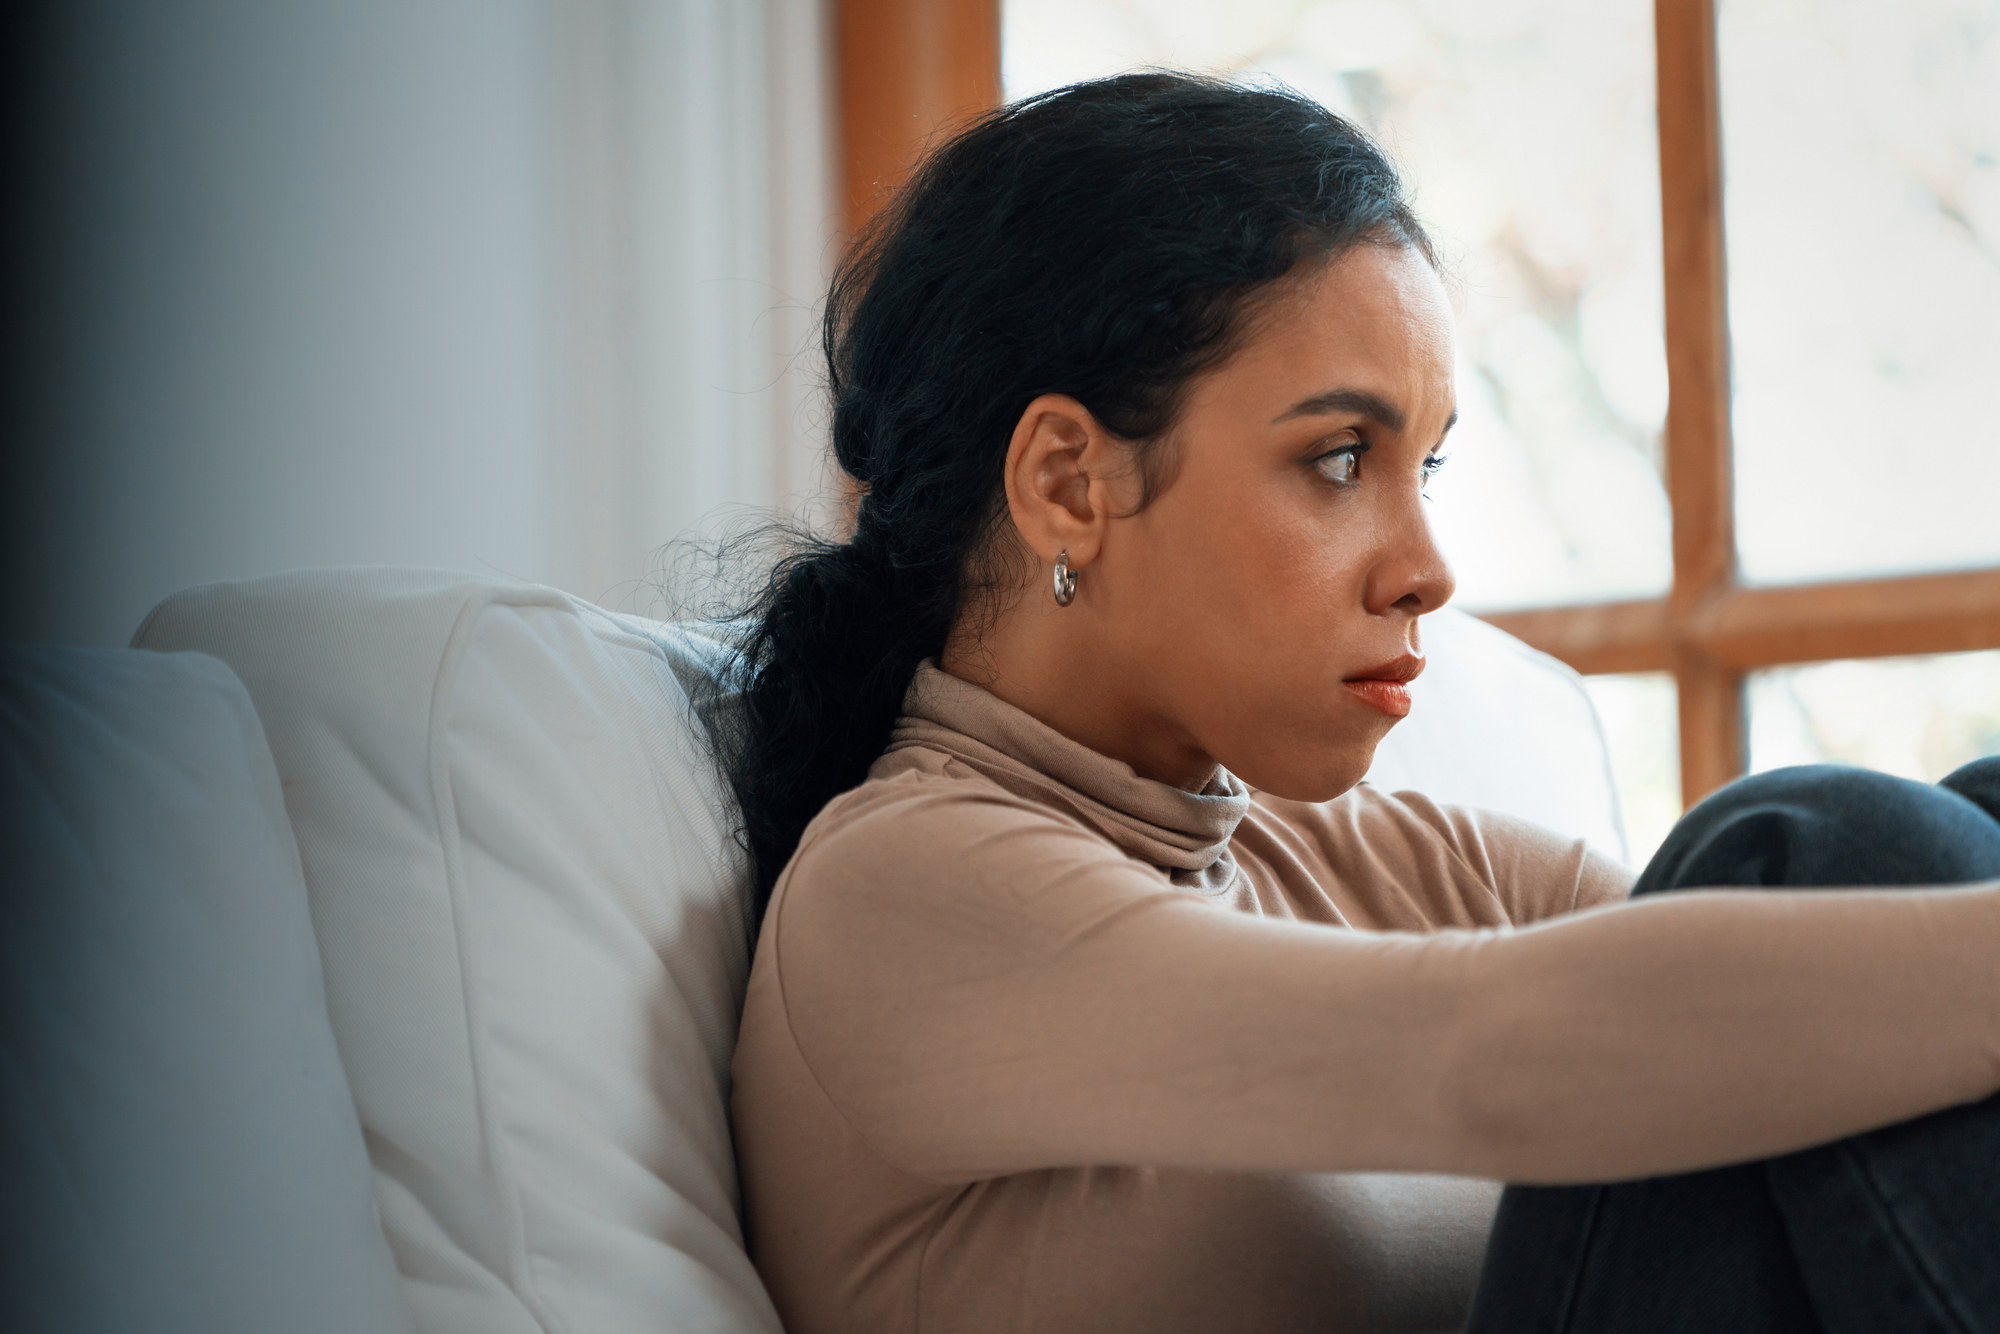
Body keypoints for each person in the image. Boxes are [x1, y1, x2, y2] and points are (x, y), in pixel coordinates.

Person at [718, 73, 2000, 1333]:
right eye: (1339, 459)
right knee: (1825, 850)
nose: (1428, 568)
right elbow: (1489, 1064)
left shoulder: (1409, 865)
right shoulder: (899, 887)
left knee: (1928, 857)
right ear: (1066, 481)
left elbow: (1810, 994)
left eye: (1424, 465)